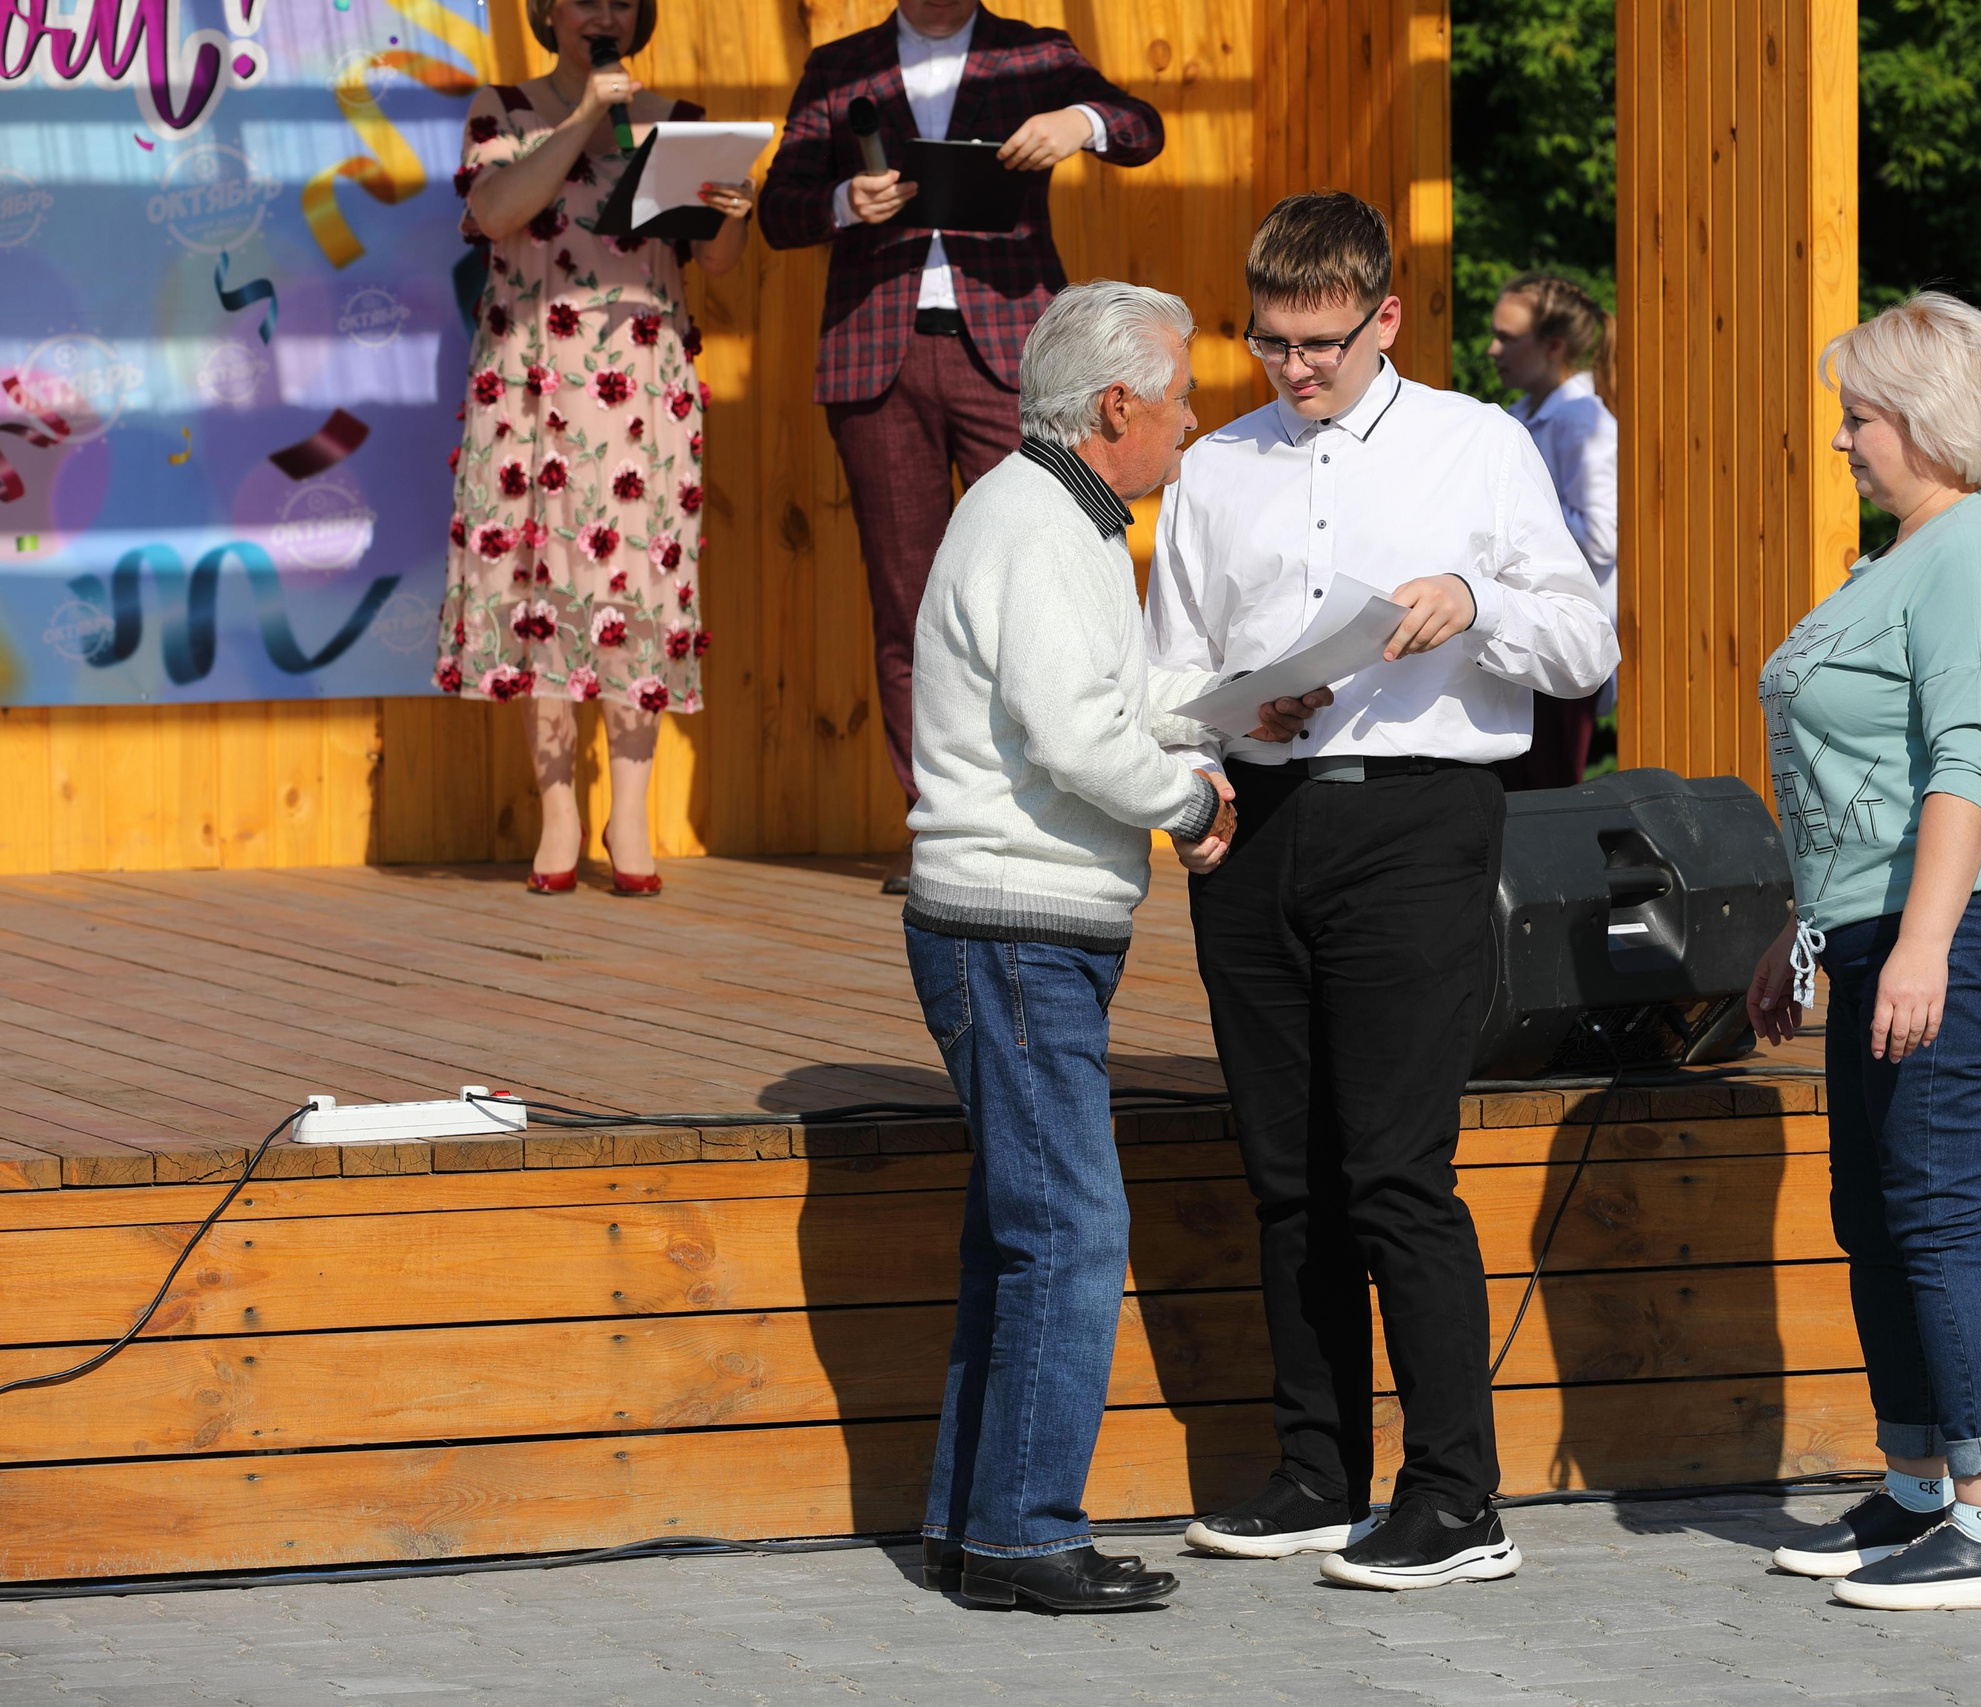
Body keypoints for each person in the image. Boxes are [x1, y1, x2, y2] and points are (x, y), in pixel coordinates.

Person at [1148, 192, 1618, 1592]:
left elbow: (1586, 642)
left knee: (1397, 1167)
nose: (1295, 369)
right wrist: (1212, 754)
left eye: (1323, 345)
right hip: (1258, 830)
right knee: (1285, 1172)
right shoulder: (1218, 467)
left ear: (1385, 319)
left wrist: (1476, 600)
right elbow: (1165, 665)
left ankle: (1458, 1495)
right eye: (1270, 341)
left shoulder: (1478, 445)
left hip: (1421, 823)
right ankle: (1314, 1469)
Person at [902, 280, 1321, 1612]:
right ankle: (1024, 1532)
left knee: (1016, 1238)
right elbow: (1077, 737)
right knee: (1075, 1234)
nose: (1197, 422)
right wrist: (1192, 801)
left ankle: (977, 1521)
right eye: (1185, 397)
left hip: (1022, 927)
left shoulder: (1057, 517)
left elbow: (1118, 693)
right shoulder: (1033, 523)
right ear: (1119, 406)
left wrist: (1239, 705)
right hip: (1013, 930)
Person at [1746, 290, 1981, 1611]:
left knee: (1935, 1203)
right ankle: (1922, 1484)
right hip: (1877, 919)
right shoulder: (1899, 559)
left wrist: (1928, 940)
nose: (1843, 442)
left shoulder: (1978, 546)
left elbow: (1966, 765)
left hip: (1967, 911)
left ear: (1929, 421)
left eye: (1859, 418)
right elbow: (1860, 781)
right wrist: (1799, 926)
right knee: (1873, 1210)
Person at [759, 0, 1167, 891]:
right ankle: (942, 831)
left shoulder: (1038, 54)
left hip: (1015, 360)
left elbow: (1144, 130)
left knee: (1044, 578)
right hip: (877, 361)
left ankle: (1059, 809)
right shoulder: (840, 64)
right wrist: (841, 198)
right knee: (909, 604)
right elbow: (778, 211)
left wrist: (1079, 122)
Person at [436, 0, 753, 897]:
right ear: (546, 14)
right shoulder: (503, 109)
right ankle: (558, 809)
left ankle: (633, 809)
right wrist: (582, 121)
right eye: (581, 0)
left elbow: (720, 260)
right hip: (530, 381)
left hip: (641, 388)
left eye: (619, 1)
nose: (600, 15)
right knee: (543, 583)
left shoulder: (681, 126)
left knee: (639, 587)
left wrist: (735, 207)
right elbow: (498, 210)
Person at [1485, 272, 1618, 792]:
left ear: (1553, 346)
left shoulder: (1583, 420)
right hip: (1519, 634)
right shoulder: (1519, 416)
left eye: (1509, 338)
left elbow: (1604, 536)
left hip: (1559, 637)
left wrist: (1513, 527)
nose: (1493, 348)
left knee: (1546, 803)